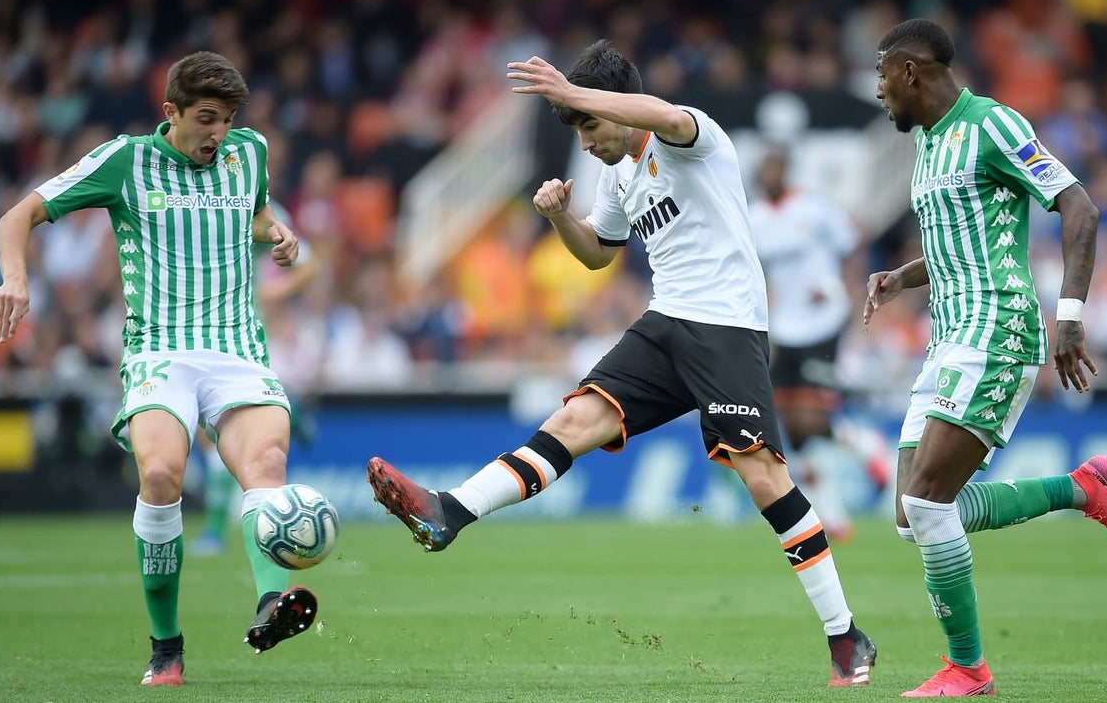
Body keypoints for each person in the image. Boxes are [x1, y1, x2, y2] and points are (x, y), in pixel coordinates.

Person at [368, 40, 878, 688]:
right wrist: (561, 218)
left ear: (615, 105)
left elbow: (662, 115)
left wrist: (571, 92)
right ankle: (449, 512)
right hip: (665, 324)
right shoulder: (615, 175)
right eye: (577, 130)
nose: (585, 142)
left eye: (589, 125)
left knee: (764, 481)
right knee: (573, 422)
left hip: (725, 327)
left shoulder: (691, 137)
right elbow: (598, 254)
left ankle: (845, 636)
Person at [0, 51, 319, 687]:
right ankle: (166, 647)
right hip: (161, 350)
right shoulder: (125, 160)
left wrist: (276, 232)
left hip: (236, 348)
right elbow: (18, 214)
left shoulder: (249, 152)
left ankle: (272, 602)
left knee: (266, 465)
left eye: (228, 119)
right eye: (207, 118)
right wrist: (15, 278)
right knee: (164, 475)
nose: (219, 132)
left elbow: (253, 213)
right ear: (171, 112)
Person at [865, 18, 1107, 697]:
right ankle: (1081, 489)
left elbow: (1079, 208)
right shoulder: (929, 142)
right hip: (948, 338)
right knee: (910, 515)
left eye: (882, 74)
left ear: (909, 70)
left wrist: (1068, 315)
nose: (878, 90)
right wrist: (902, 276)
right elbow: (957, 240)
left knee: (928, 503)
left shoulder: (992, 124)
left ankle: (968, 668)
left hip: (996, 331)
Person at [748, 144, 888, 540]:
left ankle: (870, 447)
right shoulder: (755, 218)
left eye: (775, 168)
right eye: (764, 170)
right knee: (790, 426)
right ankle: (833, 516)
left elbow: (853, 243)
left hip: (823, 320)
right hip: (784, 327)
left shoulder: (814, 209)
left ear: (786, 171)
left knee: (811, 417)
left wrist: (844, 289)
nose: (769, 176)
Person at [192, 200, 319, 557]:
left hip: (240, 341)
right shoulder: (190, 201)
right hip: (193, 338)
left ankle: (215, 530)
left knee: (220, 435)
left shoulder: (256, 207)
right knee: (211, 438)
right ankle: (290, 408)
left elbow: (309, 264)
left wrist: (275, 291)